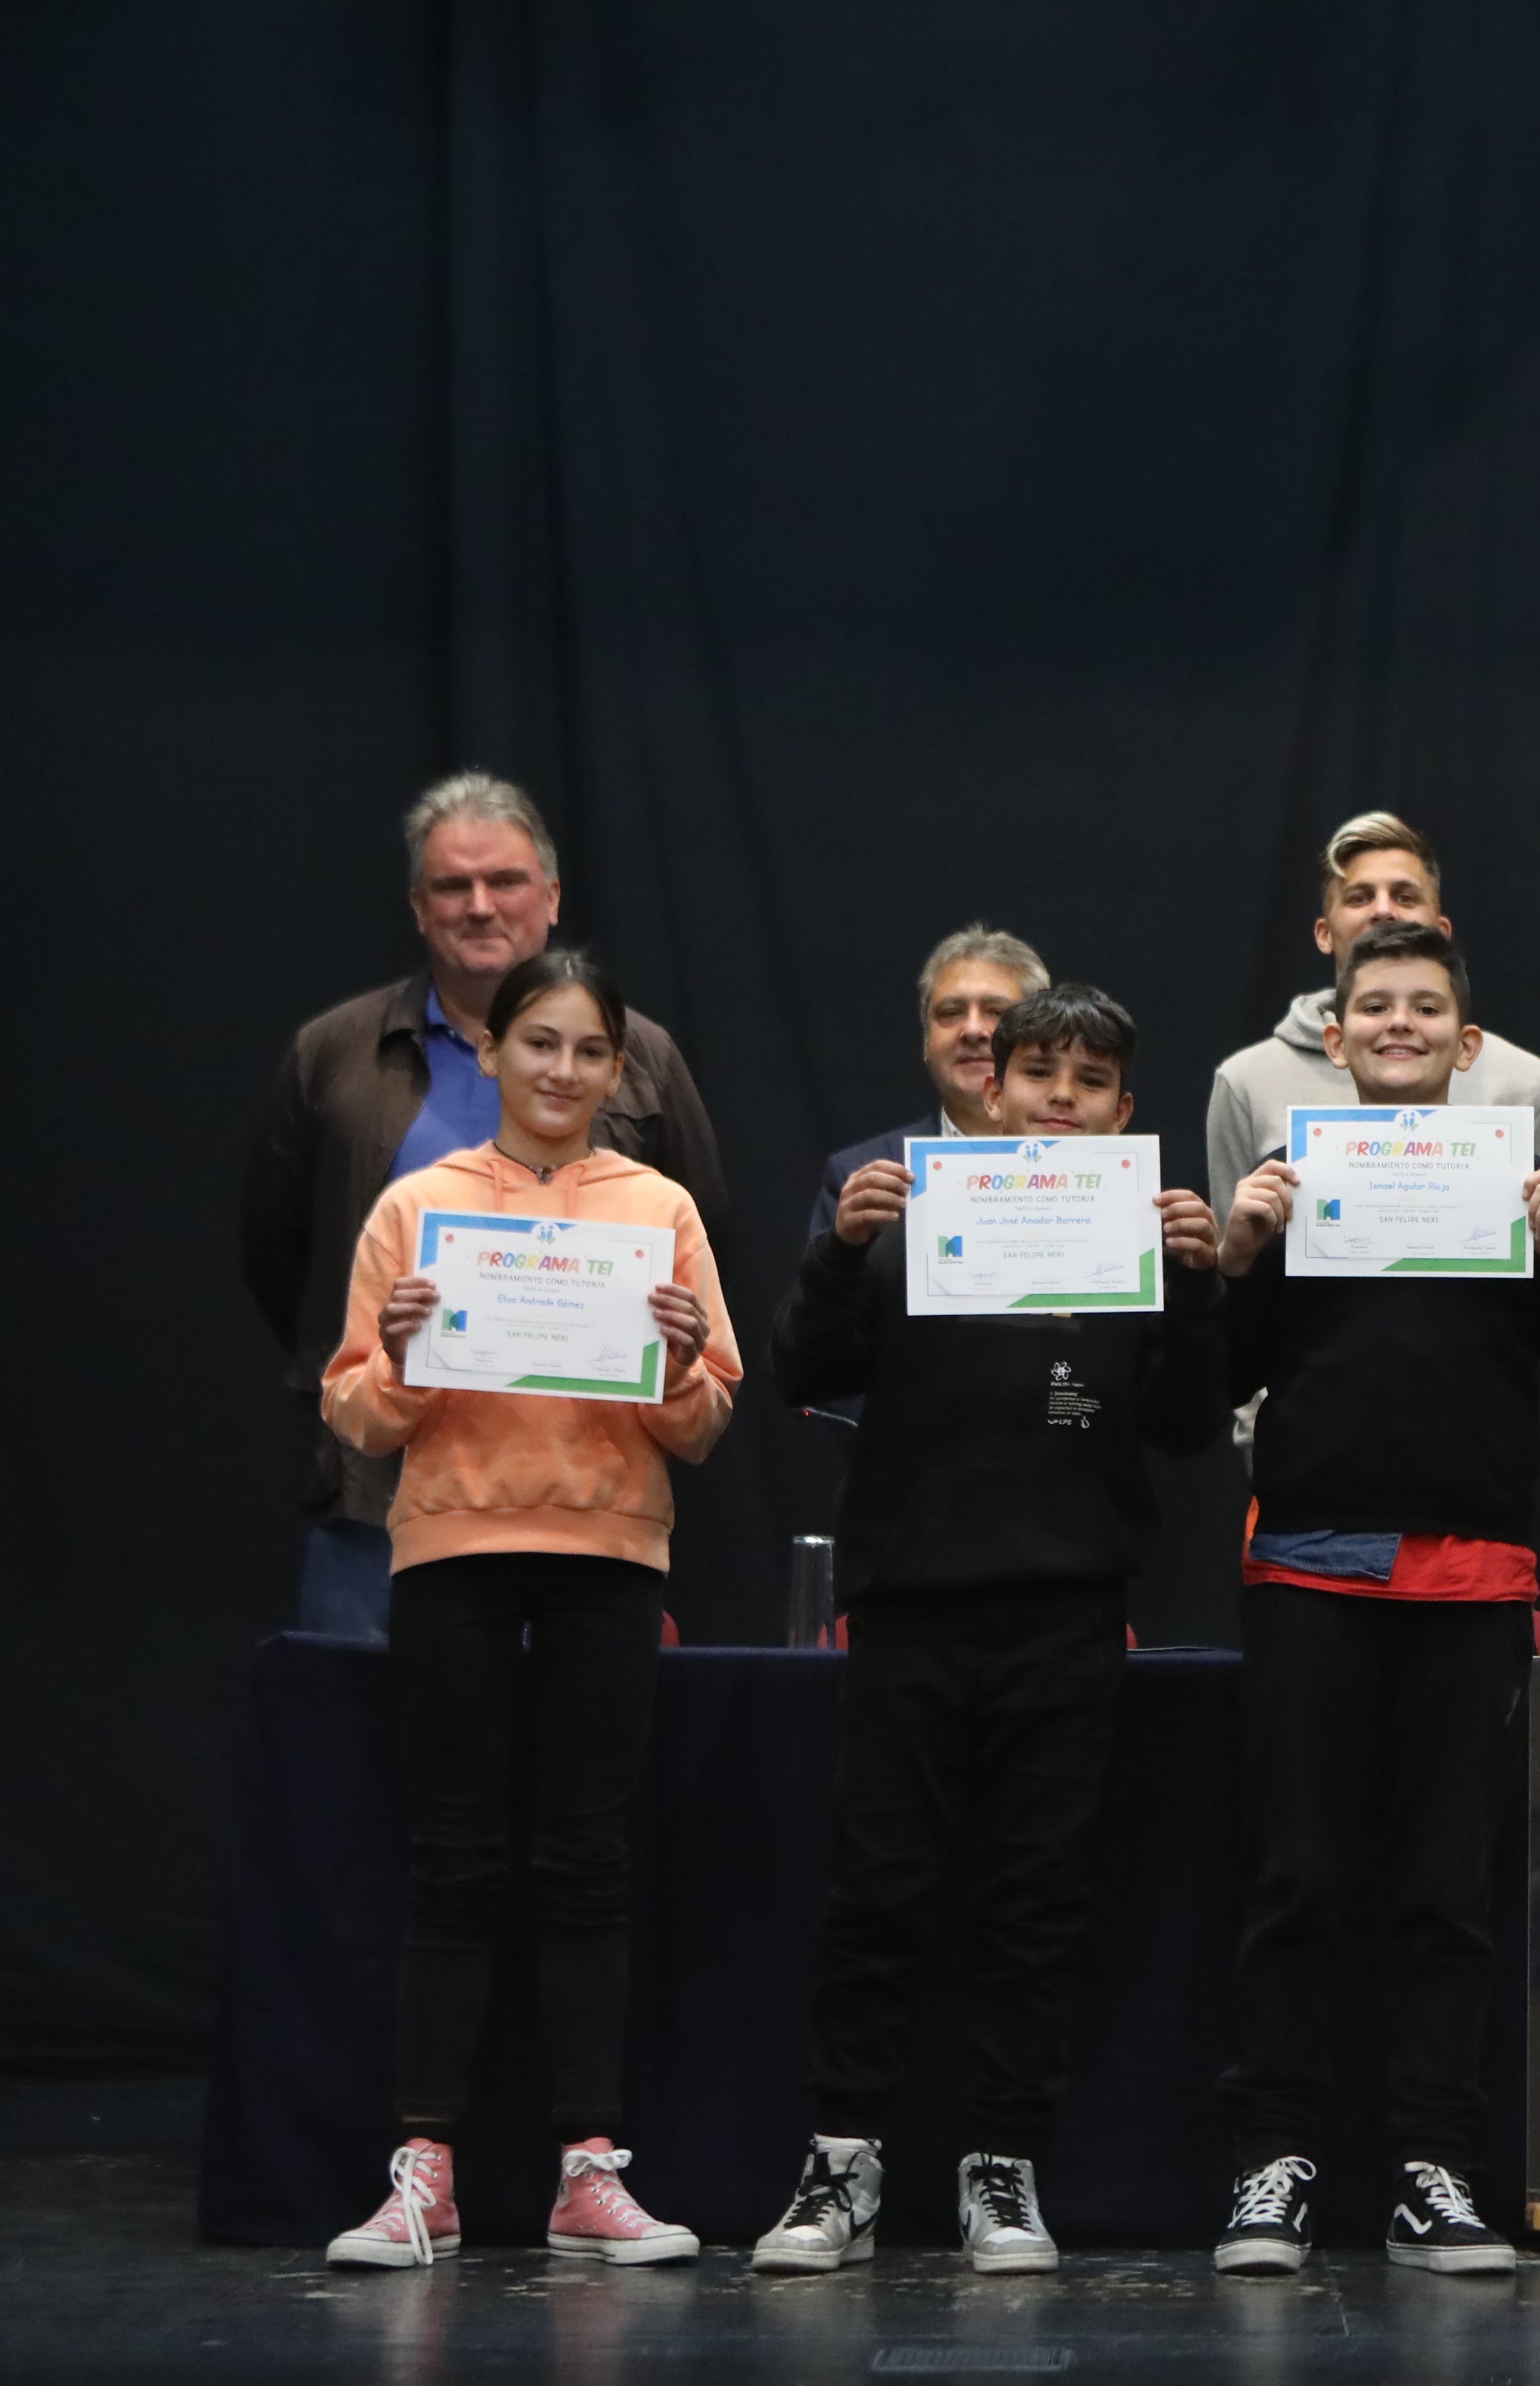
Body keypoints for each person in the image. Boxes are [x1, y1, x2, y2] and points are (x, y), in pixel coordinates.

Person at [751, 985, 1223, 2279]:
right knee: (880, 1892)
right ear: (989, 1089)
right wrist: (836, 1254)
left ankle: (1000, 2169)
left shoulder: (1140, 1246)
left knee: (1033, 1902)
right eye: (1035, 1074)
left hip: (1066, 1611)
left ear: (1123, 1112)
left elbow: (1185, 1424)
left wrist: (1195, 1284)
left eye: (1086, 1081)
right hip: (910, 1603)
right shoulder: (905, 1220)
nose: (1057, 1098)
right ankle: (840, 2158)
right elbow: (801, 1375)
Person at [1208, 922, 1540, 2280]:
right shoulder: (1287, 1187)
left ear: (1466, 1043)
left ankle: (1430, 2169)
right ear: (1334, 1038)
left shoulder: (1518, 1191)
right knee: (1298, 1878)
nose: (1398, 1024)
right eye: (1373, 1006)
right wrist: (1238, 1256)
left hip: (1470, 1583)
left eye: (1425, 1007)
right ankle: (1272, 2166)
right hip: (1309, 1575)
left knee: (1445, 1891)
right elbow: (1197, 1392)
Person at [316, 950, 742, 2271]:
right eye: (538, 1043)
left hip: (609, 1551)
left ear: (620, 1072)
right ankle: (426, 2174)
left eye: (588, 1051)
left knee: (586, 1854)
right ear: (491, 1052)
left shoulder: (658, 1206)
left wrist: (673, 1362)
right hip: (451, 1545)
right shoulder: (421, 1207)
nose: (562, 1070)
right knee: (451, 1849)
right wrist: (392, 1347)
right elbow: (357, 1411)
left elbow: (708, 1418)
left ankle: (586, 2171)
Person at [243, 774, 726, 1642]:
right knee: (366, 1757)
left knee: (574, 1759)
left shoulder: (641, 1054)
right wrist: (378, 1349)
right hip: (378, 1490)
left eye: (503, 882)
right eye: (451, 886)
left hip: (581, 1492)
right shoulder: (335, 1055)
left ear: (550, 898)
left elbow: (699, 1238)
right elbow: (281, 1251)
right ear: (418, 907)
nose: (478, 905)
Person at [1203, 812, 1540, 1220]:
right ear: (1324, 933)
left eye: (1405, 896)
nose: (1383, 911)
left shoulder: (1527, 1084)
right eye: (1359, 897)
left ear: (1442, 930)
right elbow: (1232, 1259)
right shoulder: (1245, 1082)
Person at [800, 924, 1051, 1249]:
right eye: (950, 1012)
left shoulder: (1100, 1168)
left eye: (997, 1012)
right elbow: (807, 1302)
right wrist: (841, 1248)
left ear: (1042, 1038)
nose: (973, 1029)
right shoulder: (860, 1177)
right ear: (926, 1043)